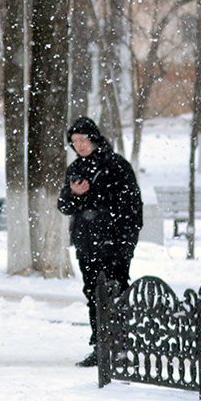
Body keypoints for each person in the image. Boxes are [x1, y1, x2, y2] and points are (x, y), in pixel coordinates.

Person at [58, 116, 142, 368]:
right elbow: (64, 206)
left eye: (83, 139)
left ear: (94, 138)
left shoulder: (116, 166)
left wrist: (126, 245)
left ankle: (119, 347)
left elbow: (132, 209)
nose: (80, 146)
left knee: (115, 293)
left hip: (115, 244)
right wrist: (74, 195)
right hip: (87, 244)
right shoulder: (75, 170)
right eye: (74, 142)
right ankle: (100, 346)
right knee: (93, 295)